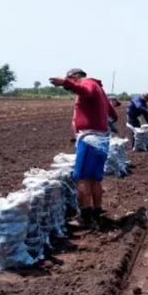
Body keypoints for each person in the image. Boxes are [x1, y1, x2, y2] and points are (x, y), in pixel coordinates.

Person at [50, 68, 118, 227]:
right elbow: (113, 115)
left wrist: (64, 82)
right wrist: (99, 118)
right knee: (95, 178)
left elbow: (85, 92)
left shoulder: (88, 84)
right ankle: (96, 212)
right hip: (101, 139)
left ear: (74, 77)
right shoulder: (100, 90)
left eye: (70, 84)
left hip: (89, 140)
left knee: (81, 178)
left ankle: (85, 217)